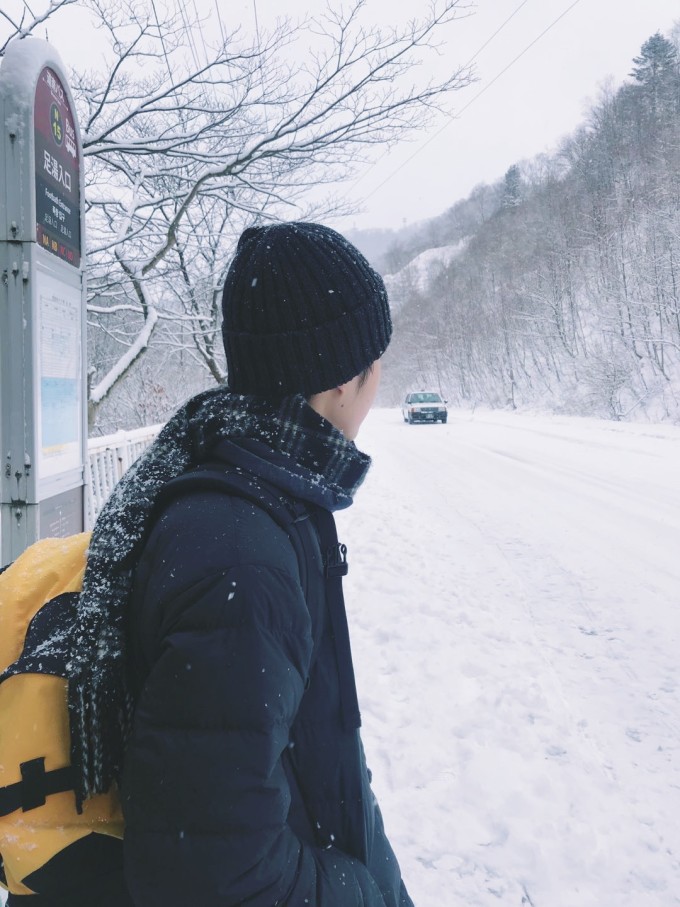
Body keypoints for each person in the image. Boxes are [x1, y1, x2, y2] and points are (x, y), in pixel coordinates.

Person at [67, 222, 414, 906]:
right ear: (345, 378)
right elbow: (211, 875)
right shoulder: (240, 555)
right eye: (376, 361)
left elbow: (313, 754)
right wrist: (361, 891)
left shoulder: (255, 495)